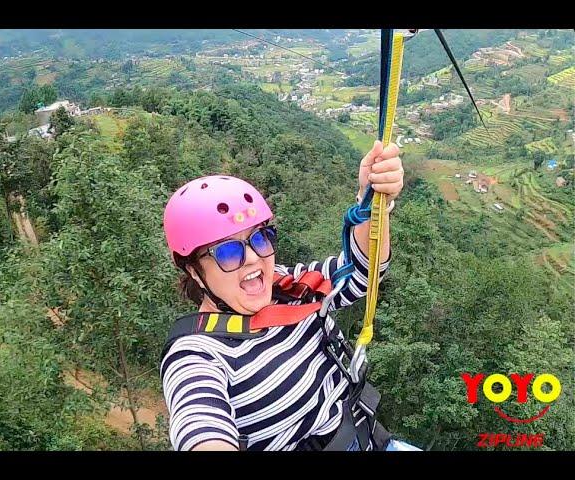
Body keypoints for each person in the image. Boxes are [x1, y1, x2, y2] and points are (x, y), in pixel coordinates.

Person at [161, 140, 417, 451]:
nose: (254, 258)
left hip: (371, 440)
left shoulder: (286, 285)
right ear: (193, 271)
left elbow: (362, 273)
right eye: (228, 252)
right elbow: (200, 425)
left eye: (260, 237)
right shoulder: (197, 354)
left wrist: (371, 202)